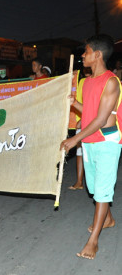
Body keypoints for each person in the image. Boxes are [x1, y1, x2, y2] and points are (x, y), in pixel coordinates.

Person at [60, 34, 121, 260]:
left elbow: (101, 118)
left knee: (103, 190)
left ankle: (93, 241)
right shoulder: (85, 82)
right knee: (95, 188)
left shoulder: (111, 81)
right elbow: (89, 111)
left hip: (106, 140)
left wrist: (74, 140)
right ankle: (108, 219)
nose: (82, 56)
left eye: (85, 52)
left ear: (97, 55)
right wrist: (74, 103)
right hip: (90, 140)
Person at [69, 67, 92, 190]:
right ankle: (79, 181)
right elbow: (77, 101)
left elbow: (93, 106)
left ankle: (94, 185)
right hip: (81, 121)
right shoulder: (82, 82)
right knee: (79, 152)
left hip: (92, 122)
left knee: (92, 154)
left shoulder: (95, 82)